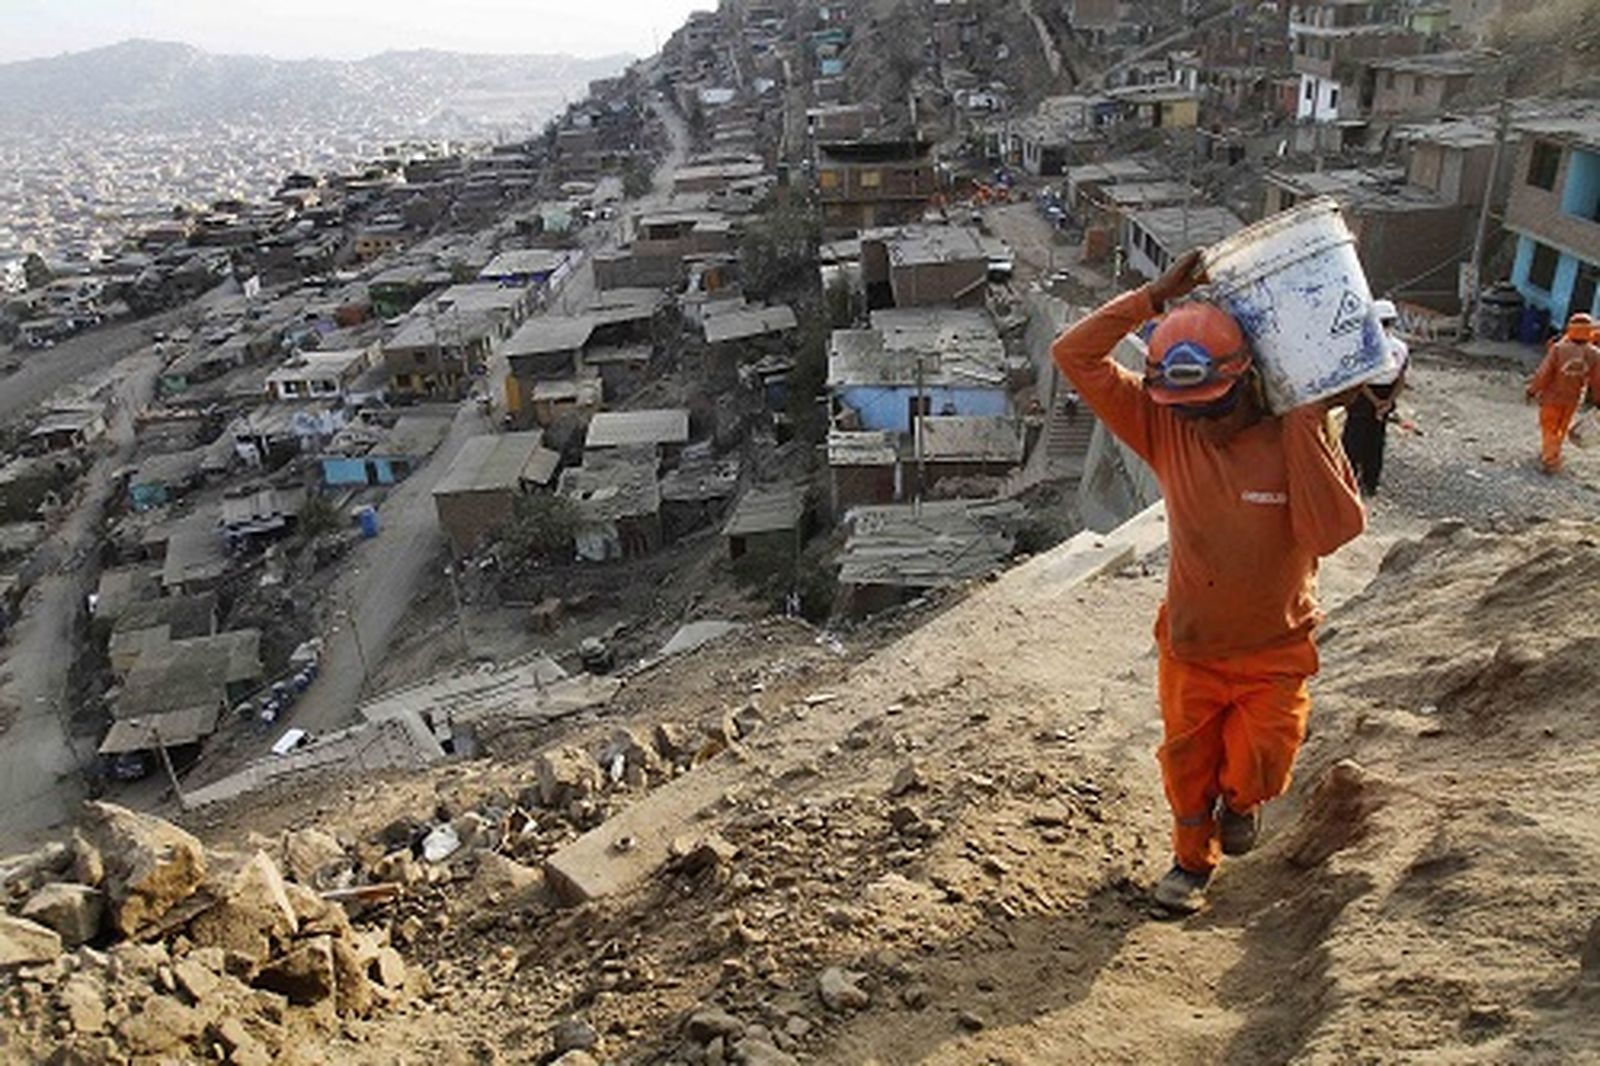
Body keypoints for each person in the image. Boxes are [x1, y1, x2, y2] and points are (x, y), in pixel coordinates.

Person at [1050, 250, 1368, 914]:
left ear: (1247, 379)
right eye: (1186, 409)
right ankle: (1190, 867)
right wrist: (1151, 299)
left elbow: (1333, 532)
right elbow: (1073, 355)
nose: (1202, 421)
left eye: (1214, 406)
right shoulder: (1166, 427)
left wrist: (1311, 421)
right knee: (1186, 775)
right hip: (1192, 649)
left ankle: (1244, 802)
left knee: (1264, 762)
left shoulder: (1294, 433)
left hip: (1274, 652)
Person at [1340, 299, 1408, 495]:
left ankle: (1349, 481)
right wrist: (1386, 403)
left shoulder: (1364, 345)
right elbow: (1401, 378)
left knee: (1353, 440)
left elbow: (1358, 380)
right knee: (1376, 440)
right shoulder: (1401, 347)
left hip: (1364, 396)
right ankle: (1371, 483)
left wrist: (1374, 401)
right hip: (1386, 394)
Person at [1526, 312, 1600, 474]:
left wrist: (1532, 390)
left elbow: (1543, 374)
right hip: (1573, 399)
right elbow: (1597, 381)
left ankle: (1550, 460)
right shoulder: (1594, 353)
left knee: (1549, 427)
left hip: (1552, 398)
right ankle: (1552, 453)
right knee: (1561, 428)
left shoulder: (1558, 349)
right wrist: (1598, 400)